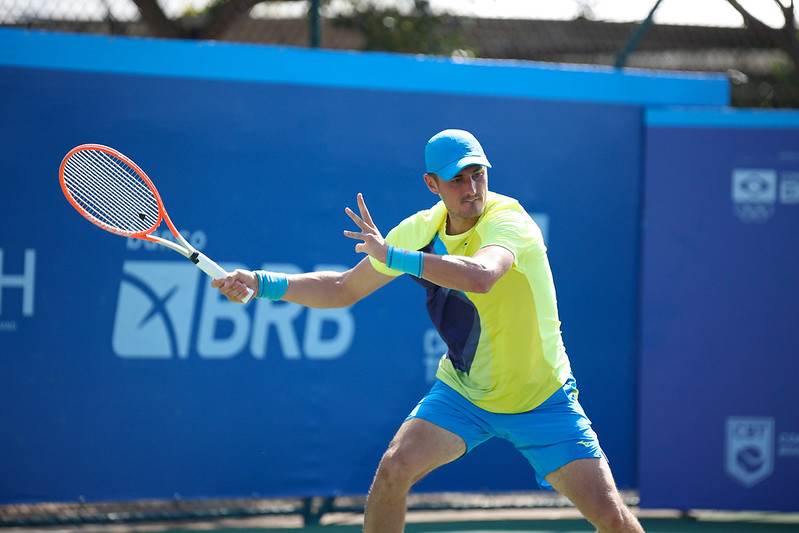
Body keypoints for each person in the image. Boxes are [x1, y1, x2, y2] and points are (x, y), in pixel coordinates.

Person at [212, 129, 644, 533]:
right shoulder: (419, 231)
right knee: (393, 469)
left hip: (543, 398)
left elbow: (481, 275)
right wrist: (258, 281)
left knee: (611, 517)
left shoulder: (509, 220)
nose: (473, 188)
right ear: (432, 184)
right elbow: (344, 288)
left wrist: (396, 257)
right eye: (458, 179)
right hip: (465, 394)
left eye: (479, 175)